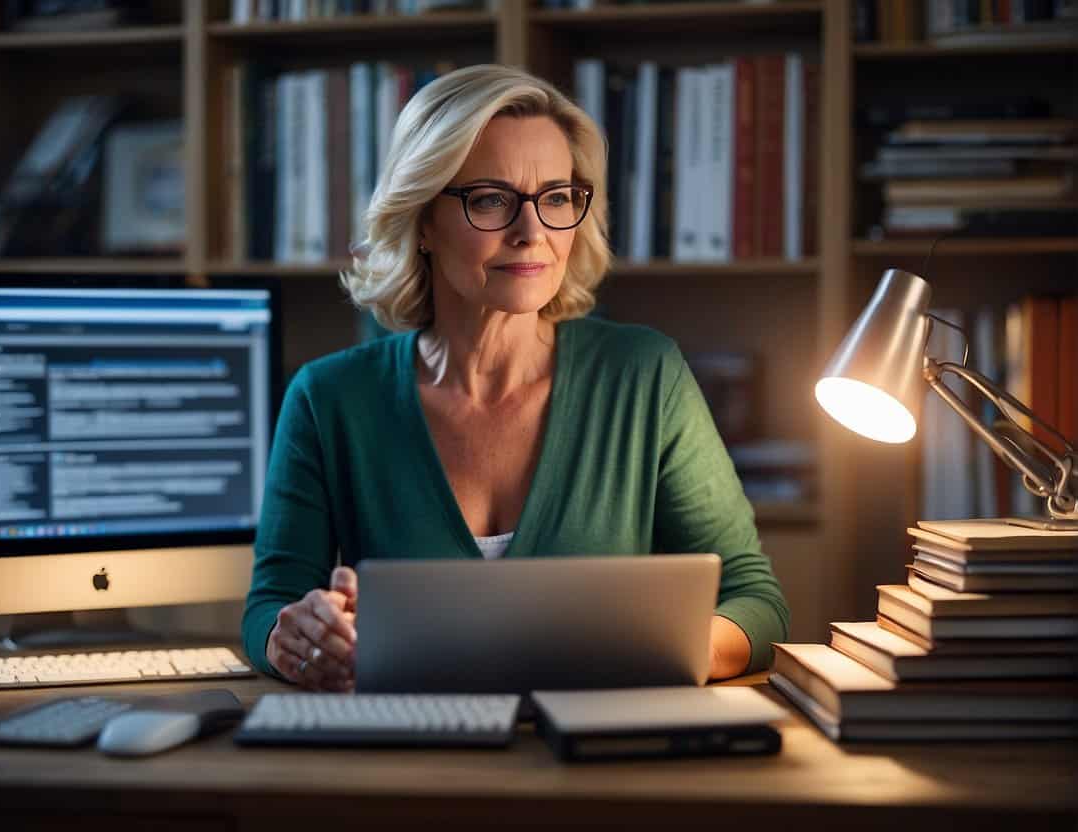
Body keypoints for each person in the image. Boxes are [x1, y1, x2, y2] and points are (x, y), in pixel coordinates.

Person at [242, 64, 789, 692]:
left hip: (599, 755)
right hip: (408, 754)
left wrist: (641, 651)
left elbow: (756, 603)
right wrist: (298, 637)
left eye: (556, 198)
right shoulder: (327, 398)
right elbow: (269, 610)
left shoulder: (644, 375)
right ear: (423, 220)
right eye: (492, 199)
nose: (532, 234)